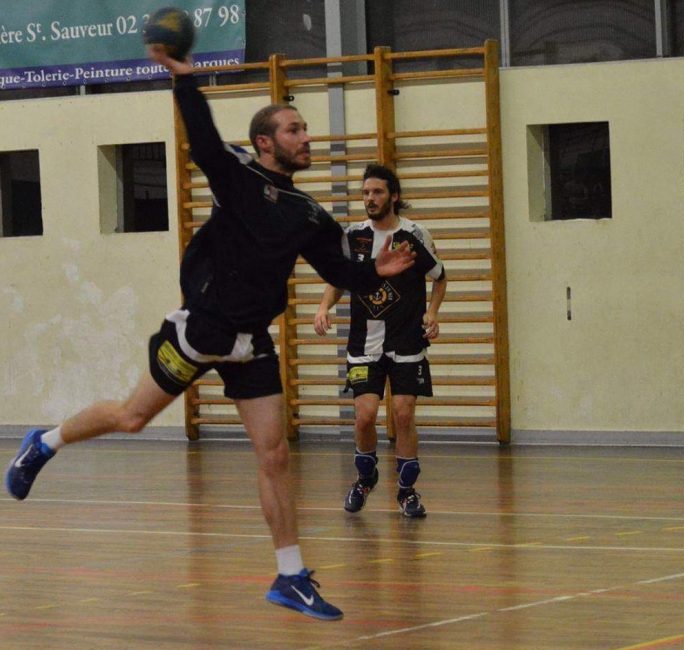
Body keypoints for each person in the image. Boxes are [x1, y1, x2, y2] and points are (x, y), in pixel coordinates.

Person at [4, 46, 417, 622]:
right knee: (131, 418)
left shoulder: (309, 214)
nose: (307, 137)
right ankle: (43, 443)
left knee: (273, 454)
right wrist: (186, 82)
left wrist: (376, 270)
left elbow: (338, 272)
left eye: (306, 128)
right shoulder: (239, 177)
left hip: (252, 339)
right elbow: (201, 138)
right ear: (267, 142)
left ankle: (290, 575)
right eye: (294, 129)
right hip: (203, 329)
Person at [313, 164, 447, 518]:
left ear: (394, 196)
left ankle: (407, 492)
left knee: (403, 414)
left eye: (377, 192)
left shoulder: (415, 235)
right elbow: (338, 278)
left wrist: (432, 313)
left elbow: (440, 277)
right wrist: (324, 306)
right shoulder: (353, 236)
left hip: (406, 342)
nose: (370, 199)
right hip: (364, 346)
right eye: (366, 193)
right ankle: (364, 478)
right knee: (365, 416)